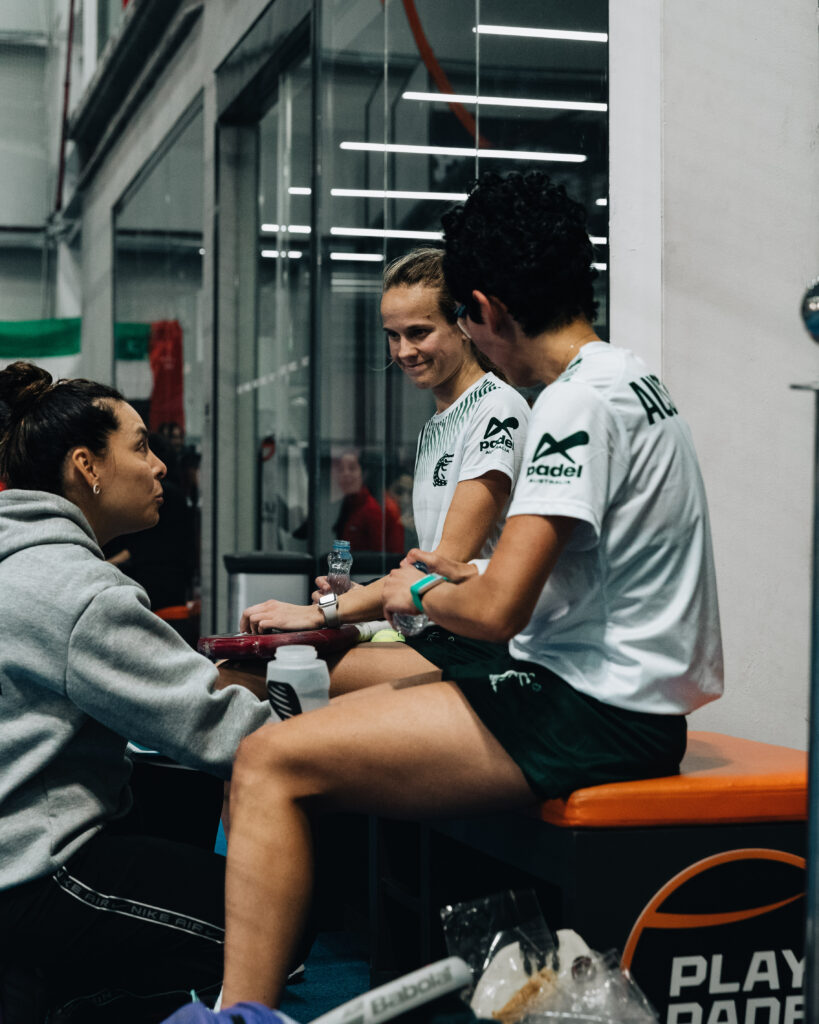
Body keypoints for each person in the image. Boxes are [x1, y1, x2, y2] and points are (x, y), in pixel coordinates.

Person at [166, 169, 722, 1021]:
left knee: (270, 760)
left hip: (594, 709)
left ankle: (242, 1010)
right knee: (314, 708)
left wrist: (422, 585)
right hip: (605, 692)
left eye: (451, 320)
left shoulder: (572, 404)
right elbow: (546, 579)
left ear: (483, 309)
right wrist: (450, 584)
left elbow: (494, 612)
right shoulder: (626, 376)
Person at [0, 362, 278, 1022]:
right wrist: (346, 726)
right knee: (273, 924)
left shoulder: (20, 559)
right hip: (33, 874)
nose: (160, 466)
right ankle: (51, 1001)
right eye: (141, 446)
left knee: (168, 802)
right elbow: (226, 733)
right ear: (87, 467)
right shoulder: (79, 591)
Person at [241, 246, 531, 693]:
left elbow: (446, 565)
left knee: (250, 677)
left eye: (419, 332)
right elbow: (426, 579)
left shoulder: (497, 409)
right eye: (393, 335)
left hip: (486, 648)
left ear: (464, 325)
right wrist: (361, 596)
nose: (403, 351)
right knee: (252, 668)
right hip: (442, 633)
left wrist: (323, 613)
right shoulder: (438, 424)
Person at [331, 448, 404, 552]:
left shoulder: (371, 509)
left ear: (364, 474)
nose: (345, 474)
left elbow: (378, 554)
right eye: (341, 469)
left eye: (352, 468)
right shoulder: (348, 504)